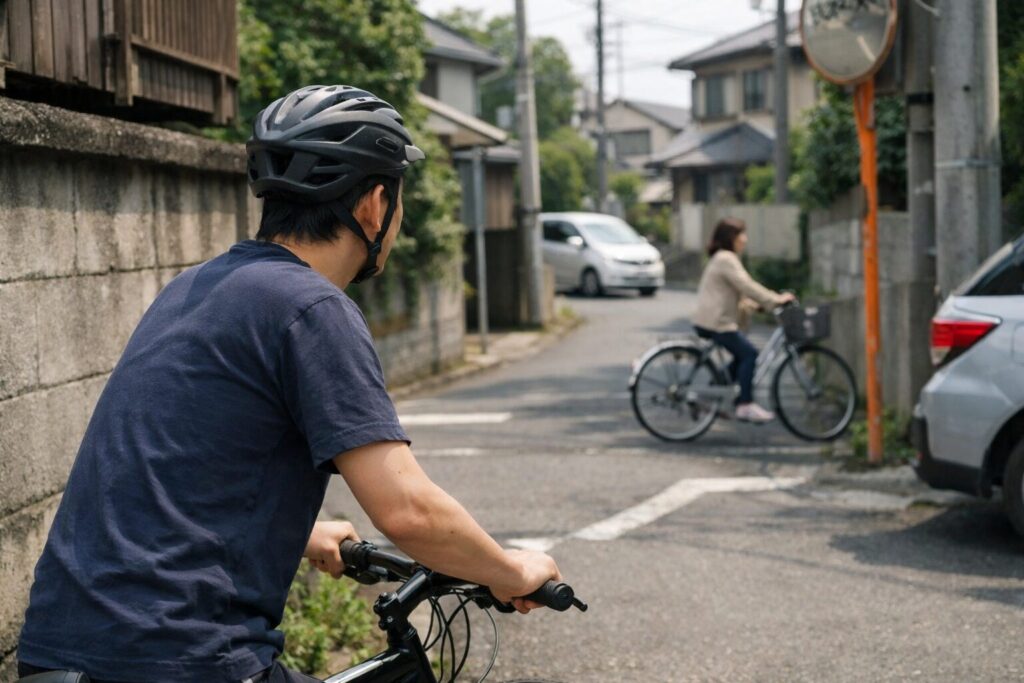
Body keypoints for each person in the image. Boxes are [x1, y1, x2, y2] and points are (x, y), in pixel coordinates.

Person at [17, 85, 560, 683]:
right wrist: (511, 572)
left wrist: (301, 533)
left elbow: (167, 468)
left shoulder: (195, 290)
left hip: (58, 652)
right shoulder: (311, 308)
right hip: (183, 658)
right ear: (376, 206)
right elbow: (408, 512)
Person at [691, 217, 794, 424]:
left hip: (711, 320)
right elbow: (747, 285)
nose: (745, 240)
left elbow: (738, 294)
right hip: (717, 322)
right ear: (731, 238)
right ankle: (745, 405)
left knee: (740, 358)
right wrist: (776, 300)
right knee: (749, 354)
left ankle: (707, 396)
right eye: (742, 235)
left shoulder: (722, 258)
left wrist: (758, 306)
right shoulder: (726, 258)